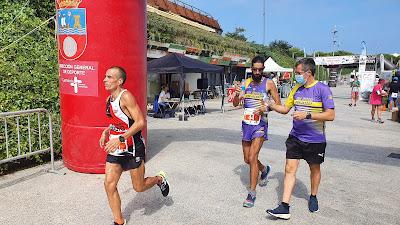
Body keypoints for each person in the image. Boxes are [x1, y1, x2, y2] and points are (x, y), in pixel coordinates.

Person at [266, 58, 335, 219]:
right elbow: (285, 109)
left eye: (297, 73)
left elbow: (331, 115)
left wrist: (308, 115)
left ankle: (313, 196)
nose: (295, 76)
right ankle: (284, 206)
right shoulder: (296, 88)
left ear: (308, 72)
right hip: (295, 137)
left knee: (314, 169)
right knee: (289, 169)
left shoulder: (322, 89)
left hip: (315, 139)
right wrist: (271, 105)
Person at [100, 66, 170, 225]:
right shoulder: (108, 99)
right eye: (105, 76)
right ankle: (119, 221)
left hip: (133, 146)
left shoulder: (126, 97)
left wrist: (121, 138)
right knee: (109, 185)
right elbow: (118, 122)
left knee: (139, 187)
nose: (105, 80)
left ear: (119, 81)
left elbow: (140, 122)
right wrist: (107, 131)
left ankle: (159, 179)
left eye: (109, 77)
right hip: (116, 148)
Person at [232, 56, 282, 208]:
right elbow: (235, 104)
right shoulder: (246, 83)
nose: (258, 72)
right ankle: (264, 169)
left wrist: (266, 107)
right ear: (251, 69)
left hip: (260, 124)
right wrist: (236, 95)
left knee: (253, 157)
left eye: (260, 69)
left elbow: (278, 104)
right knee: (247, 159)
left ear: (263, 69)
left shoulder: (269, 83)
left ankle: (251, 193)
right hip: (247, 124)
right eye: (255, 69)